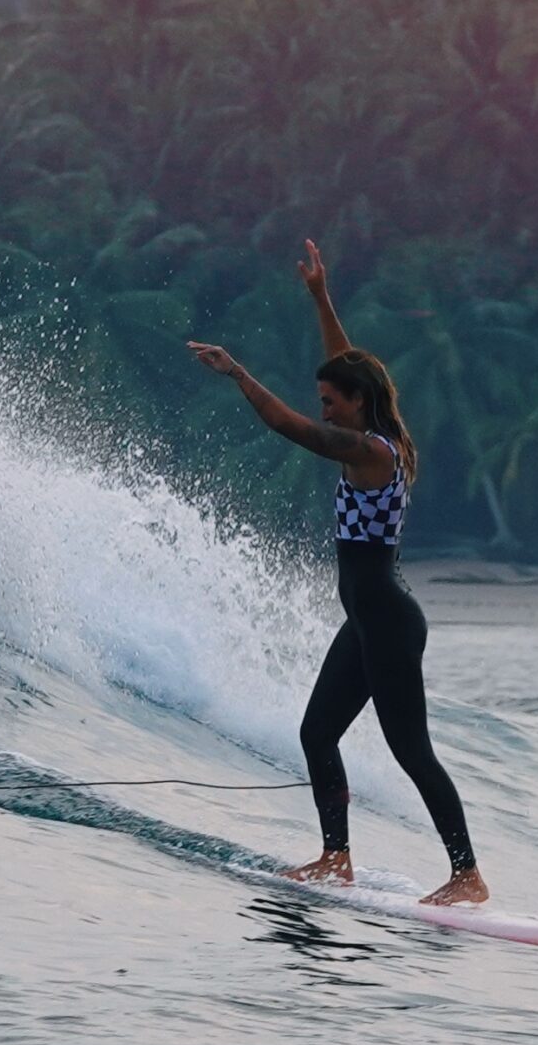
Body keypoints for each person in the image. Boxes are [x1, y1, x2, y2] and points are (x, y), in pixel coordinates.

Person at [188, 240, 488, 907]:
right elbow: (349, 366)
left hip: (384, 615)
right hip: (369, 615)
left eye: (330, 399)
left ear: (355, 404)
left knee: (411, 750)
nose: (322, 405)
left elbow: (291, 426)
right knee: (316, 732)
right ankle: (335, 858)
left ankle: (467, 875)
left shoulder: (366, 450)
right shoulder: (378, 428)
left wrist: (239, 373)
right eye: (321, 397)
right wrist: (321, 297)